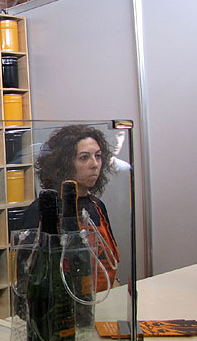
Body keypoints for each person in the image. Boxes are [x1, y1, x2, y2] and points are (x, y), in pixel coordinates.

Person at [15, 124, 120, 292]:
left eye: (98, 156)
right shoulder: (43, 210)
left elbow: (108, 265)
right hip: (63, 303)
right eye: (84, 158)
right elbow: (27, 276)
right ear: (64, 164)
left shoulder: (97, 206)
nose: (95, 164)